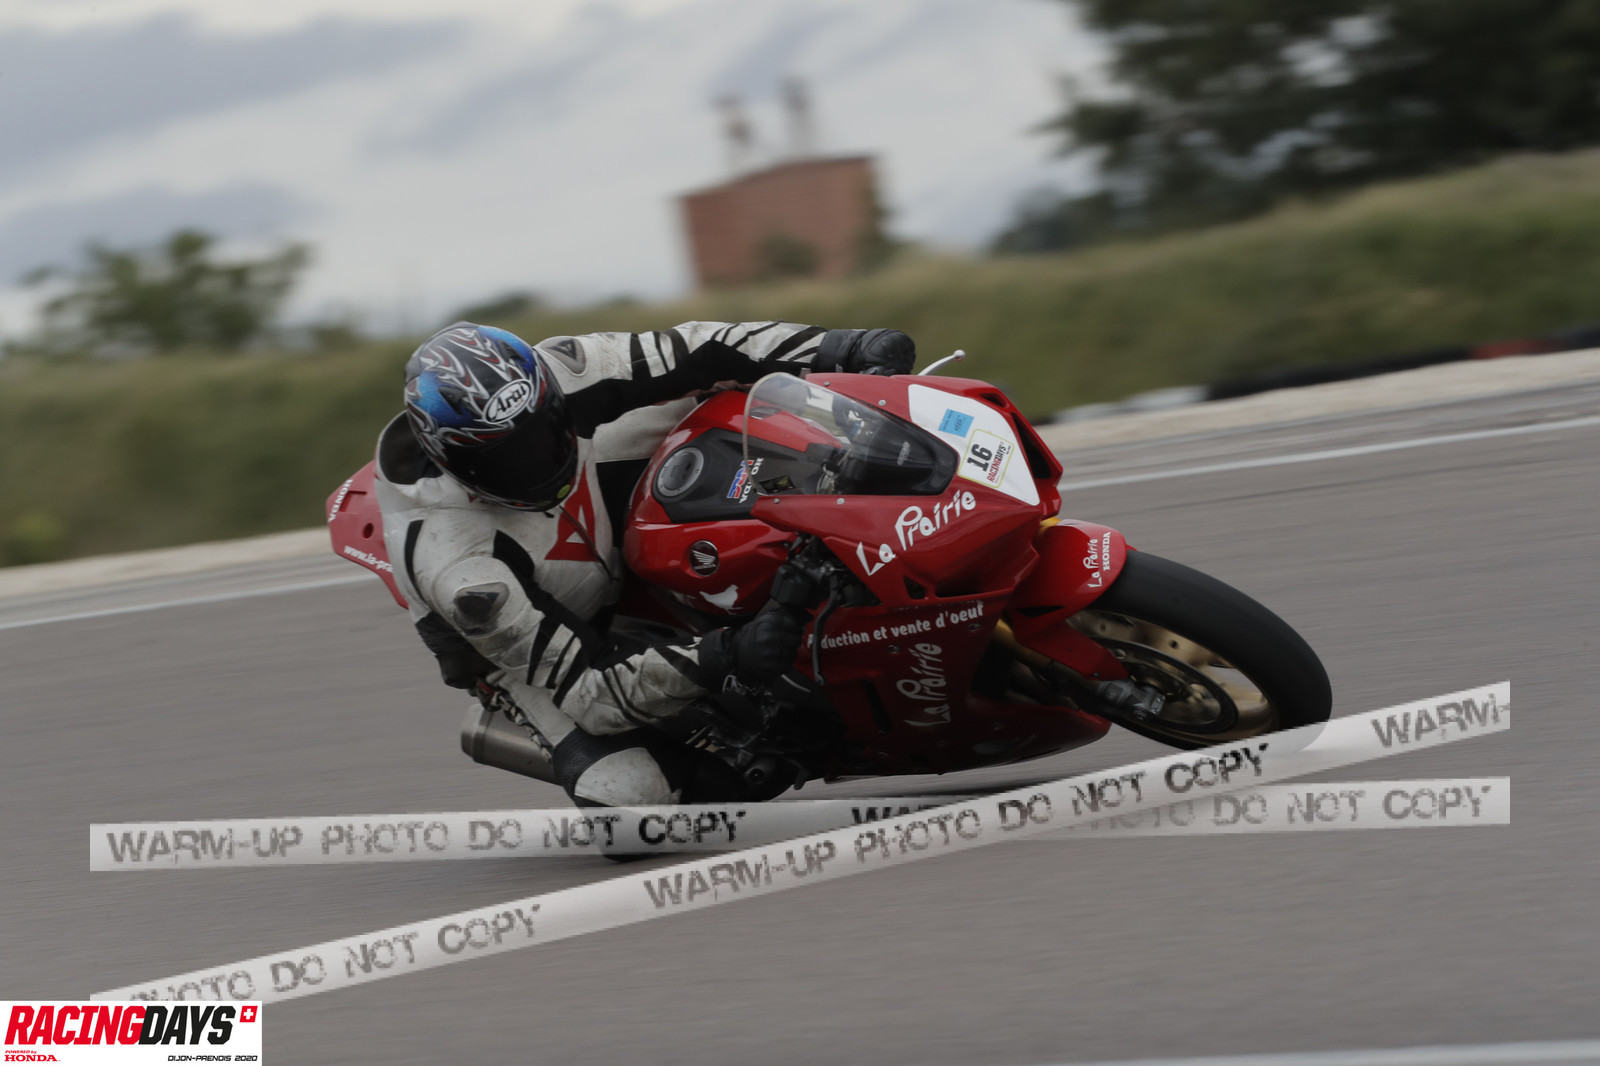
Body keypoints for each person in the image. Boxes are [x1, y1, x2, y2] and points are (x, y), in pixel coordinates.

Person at [372, 320, 916, 808]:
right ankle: (521, 715)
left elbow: (701, 347)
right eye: (507, 458)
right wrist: (728, 653)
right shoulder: (461, 569)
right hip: (547, 638)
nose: (537, 461)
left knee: (723, 392)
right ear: (452, 461)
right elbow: (590, 693)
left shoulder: (561, 370)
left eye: (543, 431)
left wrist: (844, 346)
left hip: (594, 505)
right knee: (634, 800)